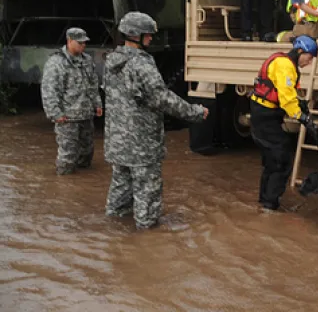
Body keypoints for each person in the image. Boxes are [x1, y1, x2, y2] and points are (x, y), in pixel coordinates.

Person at [104, 12, 209, 229]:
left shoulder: (112, 61)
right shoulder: (141, 64)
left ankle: (113, 240)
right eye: (148, 34)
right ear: (136, 35)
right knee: (148, 202)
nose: (151, 38)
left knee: (119, 198)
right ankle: (147, 247)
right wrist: (195, 112)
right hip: (141, 144)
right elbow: (162, 98)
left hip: (118, 142)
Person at [250, 35, 318, 211]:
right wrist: (302, 117)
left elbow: (286, 92)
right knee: (282, 158)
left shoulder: (284, 63)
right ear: (300, 51)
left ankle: (265, 200)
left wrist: (300, 103)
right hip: (265, 116)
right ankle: (270, 204)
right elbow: (286, 99)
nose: (309, 62)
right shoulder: (285, 66)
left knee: (271, 159)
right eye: (309, 58)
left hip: (263, 114)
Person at [41, 27, 103, 175]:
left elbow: (93, 84)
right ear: (69, 41)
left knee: (87, 152)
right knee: (68, 156)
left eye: (85, 43)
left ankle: (81, 187)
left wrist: (97, 103)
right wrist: (55, 114)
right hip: (67, 118)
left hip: (86, 115)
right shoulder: (56, 62)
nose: (83, 45)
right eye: (80, 42)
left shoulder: (87, 61)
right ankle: (63, 185)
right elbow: (49, 91)